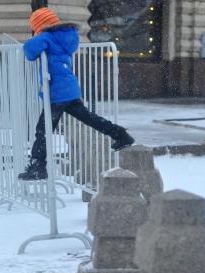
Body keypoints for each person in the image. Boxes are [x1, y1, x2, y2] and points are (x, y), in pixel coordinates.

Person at [18, 7, 135, 181]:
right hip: (69, 89)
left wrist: (37, 35)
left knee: (42, 131)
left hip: (57, 92)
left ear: (40, 26)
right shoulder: (65, 36)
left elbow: (29, 51)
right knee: (89, 118)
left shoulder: (47, 37)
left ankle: (37, 167)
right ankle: (120, 135)